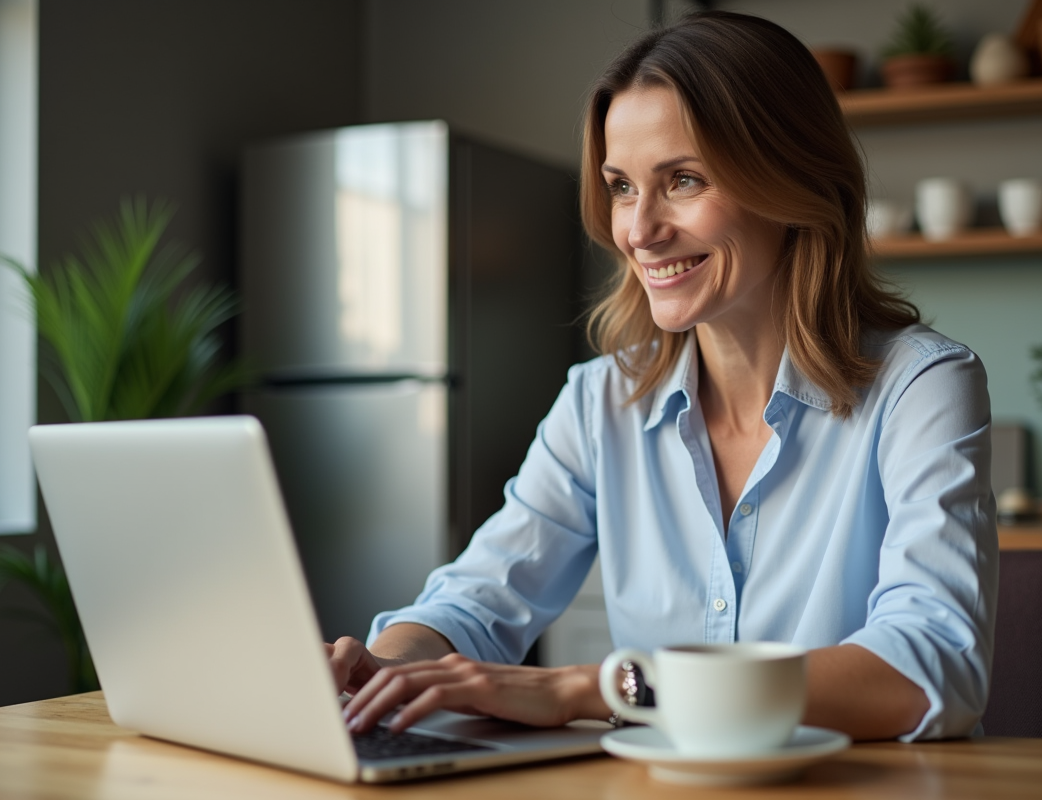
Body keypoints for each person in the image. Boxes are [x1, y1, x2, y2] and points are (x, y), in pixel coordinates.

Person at [328, 10, 997, 743]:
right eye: (621, 186)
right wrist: (386, 668)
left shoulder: (920, 386)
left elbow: (929, 668)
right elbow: (479, 596)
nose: (639, 229)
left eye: (682, 180)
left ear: (792, 179)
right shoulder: (600, 401)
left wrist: (603, 687)